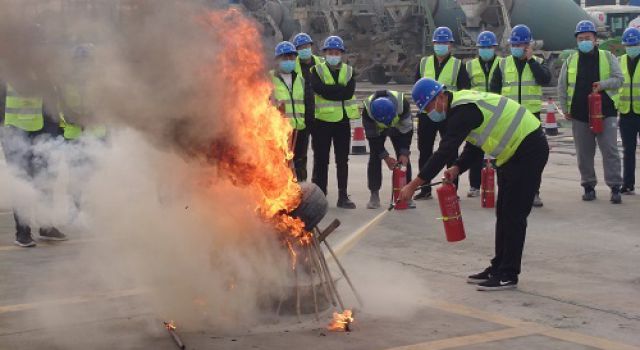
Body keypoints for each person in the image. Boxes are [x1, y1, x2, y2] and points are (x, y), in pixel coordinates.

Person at [399, 78, 549, 291]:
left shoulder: (462, 111)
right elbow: (475, 146)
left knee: (514, 215)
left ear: (441, 96)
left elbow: (444, 151)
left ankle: (508, 275)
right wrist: (457, 168)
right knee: (504, 213)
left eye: (430, 106)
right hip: (513, 154)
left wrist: (414, 184)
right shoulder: (461, 108)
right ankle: (498, 267)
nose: (431, 113)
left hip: (528, 150)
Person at [557, 20, 623, 203]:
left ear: (595, 39)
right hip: (580, 114)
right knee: (584, 153)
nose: (584, 41)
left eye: (588, 38)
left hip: (605, 112)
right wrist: (565, 109)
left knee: (610, 150)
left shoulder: (608, 57)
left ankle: (615, 186)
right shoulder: (570, 60)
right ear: (576, 41)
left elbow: (619, 79)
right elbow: (561, 87)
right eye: (581, 38)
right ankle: (588, 186)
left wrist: (603, 85)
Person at [0, 75, 67, 247]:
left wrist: (54, 132)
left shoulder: (40, 70)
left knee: (44, 179)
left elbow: (51, 104)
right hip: (14, 132)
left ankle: (46, 226)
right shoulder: (6, 73)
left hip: (40, 131)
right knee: (21, 181)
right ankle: (22, 232)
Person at [490, 24, 551, 207]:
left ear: (529, 45)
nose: (517, 48)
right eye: (514, 45)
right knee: (508, 157)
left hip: (530, 119)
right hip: (508, 119)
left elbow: (545, 79)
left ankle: (533, 192)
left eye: (521, 45)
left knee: (532, 159)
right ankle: (509, 190)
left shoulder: (538, 62)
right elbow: (494, 92)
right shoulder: (502, 64)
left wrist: (531, 60)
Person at [414, 26, 470, 201]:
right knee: (425, 151)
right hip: (427, 114)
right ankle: (425, 189)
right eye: (438, 42)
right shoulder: (423, 63)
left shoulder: (457, 66)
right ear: (433, 44)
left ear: (450, 45)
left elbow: (464, 90)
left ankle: (451, 188)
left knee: (450, 151)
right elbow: (416, 88)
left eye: (444, 42)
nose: (441, 45)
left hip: (448, 115)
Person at [309, 35, 359, 208]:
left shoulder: (349, 71)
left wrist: (331, 91)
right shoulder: (316, 70)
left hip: (342, 122)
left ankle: (343, 196)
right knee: (321, 160)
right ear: (325, 53)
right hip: (321, 122)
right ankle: (320, 196)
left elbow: (348, 93)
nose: (334, 55)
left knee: (342, 160)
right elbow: (319, 89)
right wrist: (338, 90)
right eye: (330, 52)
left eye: (337, 52)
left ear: (342, 54)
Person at [361, 90, 414, 209]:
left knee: (404, 160)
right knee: (375, 156)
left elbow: (408, 131)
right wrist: (385, 156)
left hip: (399, 128)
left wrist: (404, 152)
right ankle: (374, 194)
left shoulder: (402, 105)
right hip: (377, 132)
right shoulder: (368, 112)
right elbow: (372, 138)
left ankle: (407, 194)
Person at [270, 41, 313, 181]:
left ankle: (301, 190)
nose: (289, 61)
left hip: (299, 128)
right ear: (277, 60)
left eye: (291, 58)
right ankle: (281, 191)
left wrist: (308, 124)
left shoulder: (300, 80)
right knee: (280, 163)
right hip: (279, 131)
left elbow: (308, 104)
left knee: (300, 161)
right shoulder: (268, 79)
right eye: (285, 58)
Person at [465, 30, 501, 198]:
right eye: (482, 47)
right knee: (474, 149)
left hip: (497, 113)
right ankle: (474, 185)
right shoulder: (470, 66)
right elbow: (465, 89)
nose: (485, 50)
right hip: (477, 114)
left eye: (488, 47)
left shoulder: (502, 64)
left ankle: (501, 183)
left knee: (499, 150)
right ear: (478, 48)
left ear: (495, 47)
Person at [618, 27, 640, 195]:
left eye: (635, 44)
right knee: (628, 150)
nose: (631, 47)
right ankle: (628, 183)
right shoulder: (619, 62)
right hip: (626, 113)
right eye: (628, 45)